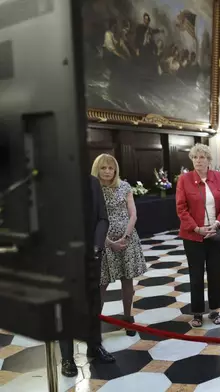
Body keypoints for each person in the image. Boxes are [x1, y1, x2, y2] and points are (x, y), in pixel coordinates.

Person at [60, 175, 115, 377]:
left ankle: (94, 346)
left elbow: (102, 217)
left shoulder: (91, 181)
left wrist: (96, 246)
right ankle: (67, 357)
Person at [176, 143, 220, 327]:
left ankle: (214, 310)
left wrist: (217, 224)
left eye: (202, 157)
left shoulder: (218, 177)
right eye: (195, 157)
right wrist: (197, 228)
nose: (198, 161)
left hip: (215, 232)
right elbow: (181, 208)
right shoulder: (184, 180)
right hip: (194, 235)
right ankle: (198, 312)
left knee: (215, 273)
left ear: (209, 160)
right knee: (196, 274)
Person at [92, 154, 146, 336]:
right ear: (97, 169)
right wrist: (108, 242)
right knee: (101, 283)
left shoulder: (124, 186)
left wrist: (126, 236)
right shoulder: (91, 188)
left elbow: (133, 214)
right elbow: (90, 218)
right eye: (103, 168)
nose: (107, 171)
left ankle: (128, 318)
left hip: (126, 239)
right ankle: (95, 322)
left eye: (111, 168)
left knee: (127, 279)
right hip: (103, 240)